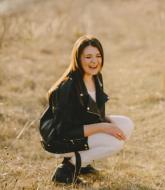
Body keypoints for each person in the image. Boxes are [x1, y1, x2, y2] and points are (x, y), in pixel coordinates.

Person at [39, 35, 134, 185]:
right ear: (78, 59)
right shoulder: (67, 88)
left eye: (98, 56)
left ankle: (82, 163)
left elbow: (91, 112)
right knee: (115, 144)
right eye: (88, 57)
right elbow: (64, 130)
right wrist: (103, 127)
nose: (94, 61)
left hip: (79, 129)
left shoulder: (96, 77)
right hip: (59, 140)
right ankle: (67, 169)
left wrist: (106, 122)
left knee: (126, 125)